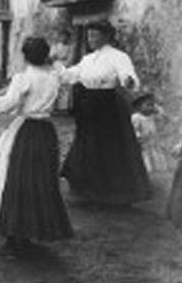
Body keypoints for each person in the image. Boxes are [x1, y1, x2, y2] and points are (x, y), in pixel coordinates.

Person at [0, 37, 73, 258]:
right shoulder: (53, 77)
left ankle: (15, 233)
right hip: (46, 131)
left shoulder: (23, 77)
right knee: (40, 181)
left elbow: (2, 108)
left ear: (25, 55)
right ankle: (35, 229)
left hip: (26, 130)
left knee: (17, 180)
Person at [55, 20, 151, 207]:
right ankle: (87, 192)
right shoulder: (88, 59)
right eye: (89, 35)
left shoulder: (118, 56)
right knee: (87, 146)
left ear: (106, 36)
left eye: (95, 35)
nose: (91, 39)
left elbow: (127, 75)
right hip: (88, 106)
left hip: (108, 107)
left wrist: (128, 81)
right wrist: (57, 68)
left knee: (109, 148)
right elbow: (71, 75)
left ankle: (113, 195)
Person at [131, 92, 168, 174]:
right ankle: (149, 172)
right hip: (144, 143)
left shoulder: (152, 116)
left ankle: (160, 171)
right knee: (146, 158)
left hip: (153, 141)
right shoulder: (137, 117)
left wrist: (158, 110)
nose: (150, 107)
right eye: (148, 105)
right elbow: (135, 128)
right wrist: (138, 136)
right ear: (138, 107)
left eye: (152, 105)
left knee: (156, 156)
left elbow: (163, 118)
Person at [49, 28, 74, 114]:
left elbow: (70, 58)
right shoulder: (56, 45)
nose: (63, 38)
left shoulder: (70, 47)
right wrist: (54, 58)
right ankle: (53, 106)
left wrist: (65, 65)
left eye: (65, 37)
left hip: (65, 66)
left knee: (64, 87)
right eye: (62, 36)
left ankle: (63, 107)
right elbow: (51, 56)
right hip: (56, 65)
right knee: (54, 85)